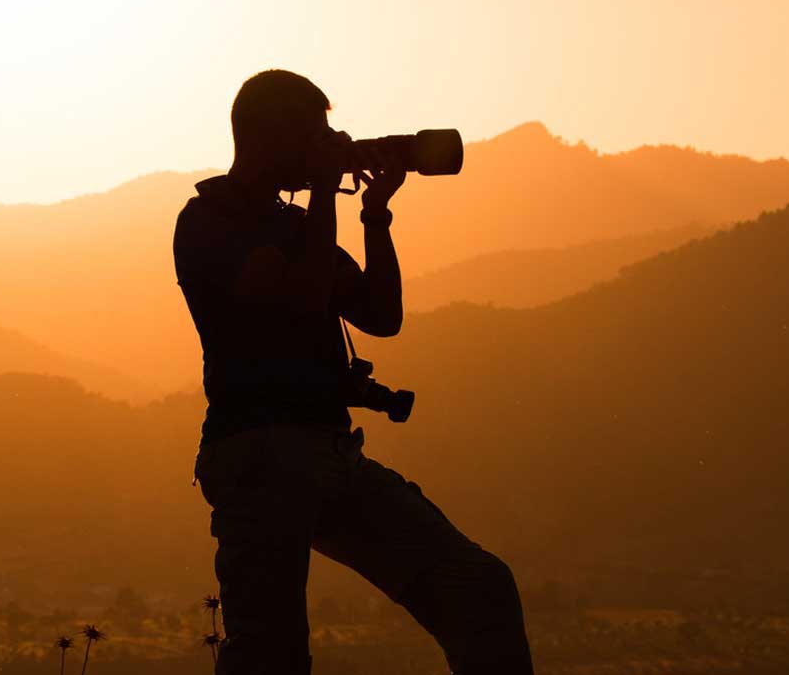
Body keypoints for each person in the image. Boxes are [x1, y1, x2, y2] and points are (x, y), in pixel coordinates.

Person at [173, 69, 532, 675]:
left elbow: (380, 314)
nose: (333, 142)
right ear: (270, 138)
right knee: (271, 655)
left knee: (479, 587)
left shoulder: (297, 224)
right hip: (259, 455)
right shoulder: (210, 221)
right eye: (317, 133)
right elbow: (306, 295)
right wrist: (320, 192)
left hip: (329, 453)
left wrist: (374, 216)